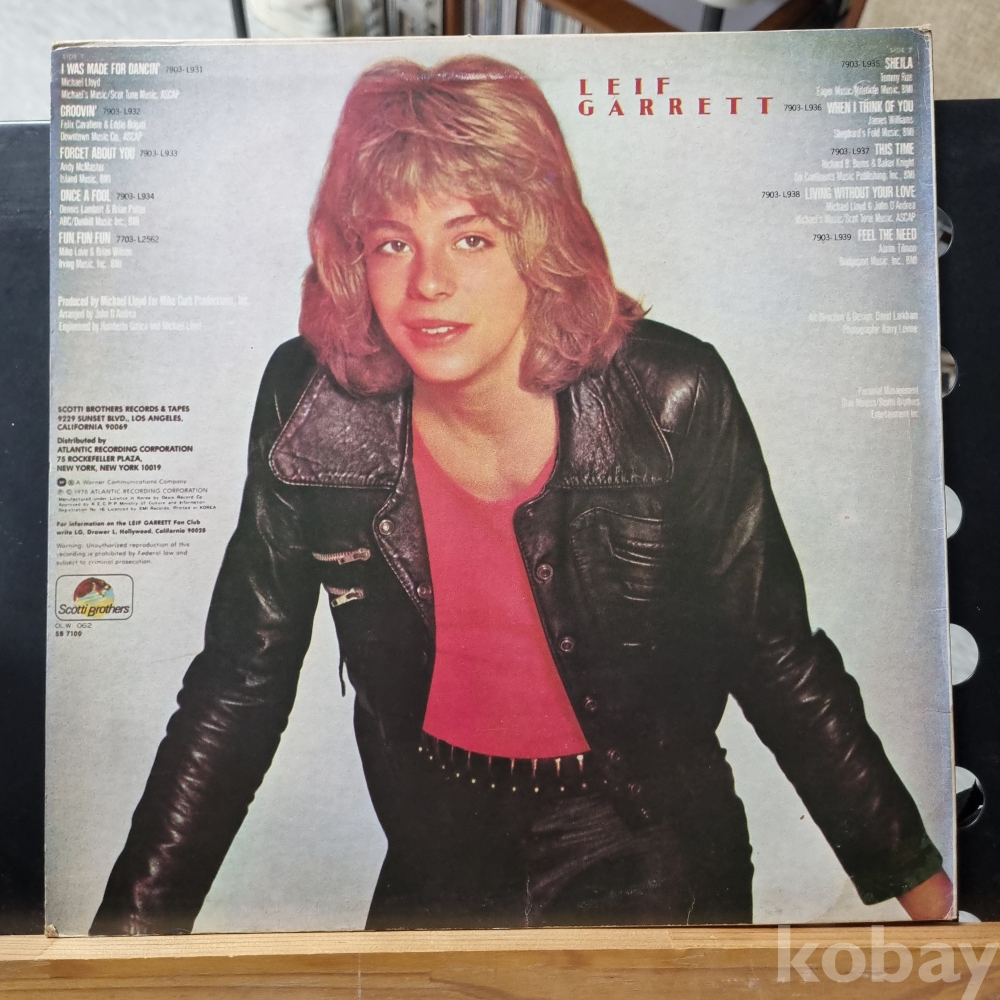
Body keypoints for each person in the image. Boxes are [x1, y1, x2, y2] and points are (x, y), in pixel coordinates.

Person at [91, 55, 952, 934]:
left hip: (647, 847)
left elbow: (774, 654)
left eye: (471, 238)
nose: (428, 283)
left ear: (538, 244)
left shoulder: (672, 396)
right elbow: (242, 679)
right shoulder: (311, 401)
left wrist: (927, 894)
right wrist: (126, 941)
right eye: (392, 243)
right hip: (435, 849)